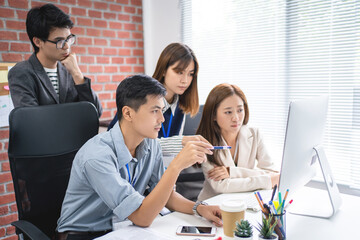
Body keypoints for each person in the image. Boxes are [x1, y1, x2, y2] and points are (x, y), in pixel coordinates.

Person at [56, 75, 222, 240]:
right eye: (154, 111)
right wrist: (176, 166)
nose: (162, 119)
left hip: (122, 228)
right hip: (82, 234)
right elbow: (142, 218)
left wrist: (199, 208)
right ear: (128, 113)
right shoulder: (97, 156)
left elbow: (166, 196)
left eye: (162, 110)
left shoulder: (151, 144)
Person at [108, 43, 206, 155]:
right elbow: (136, 145)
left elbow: (170, 154)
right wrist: (181, 142)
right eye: (179, 72)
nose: (185, 80)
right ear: (164, 70)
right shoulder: (141, 96)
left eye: (190, 74)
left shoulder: (180, 105)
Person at [8, 4, 102, 116]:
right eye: (59, 41)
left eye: (69, 39)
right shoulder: (21, 72)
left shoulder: (70, 70)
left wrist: (77, 74)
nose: (67, 46)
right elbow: (31, 120)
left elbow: (96, 112)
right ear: (38, 42)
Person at [196, 83, 279, 201]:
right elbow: (221, 186)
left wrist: (233, 172)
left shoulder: (254, 134)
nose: (236, 118)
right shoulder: (205, 141)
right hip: (213, 205)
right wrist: (266, 180)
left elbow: (273, 173)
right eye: (228, 112)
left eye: (240, 110)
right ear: (213, 115)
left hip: (244, 202)